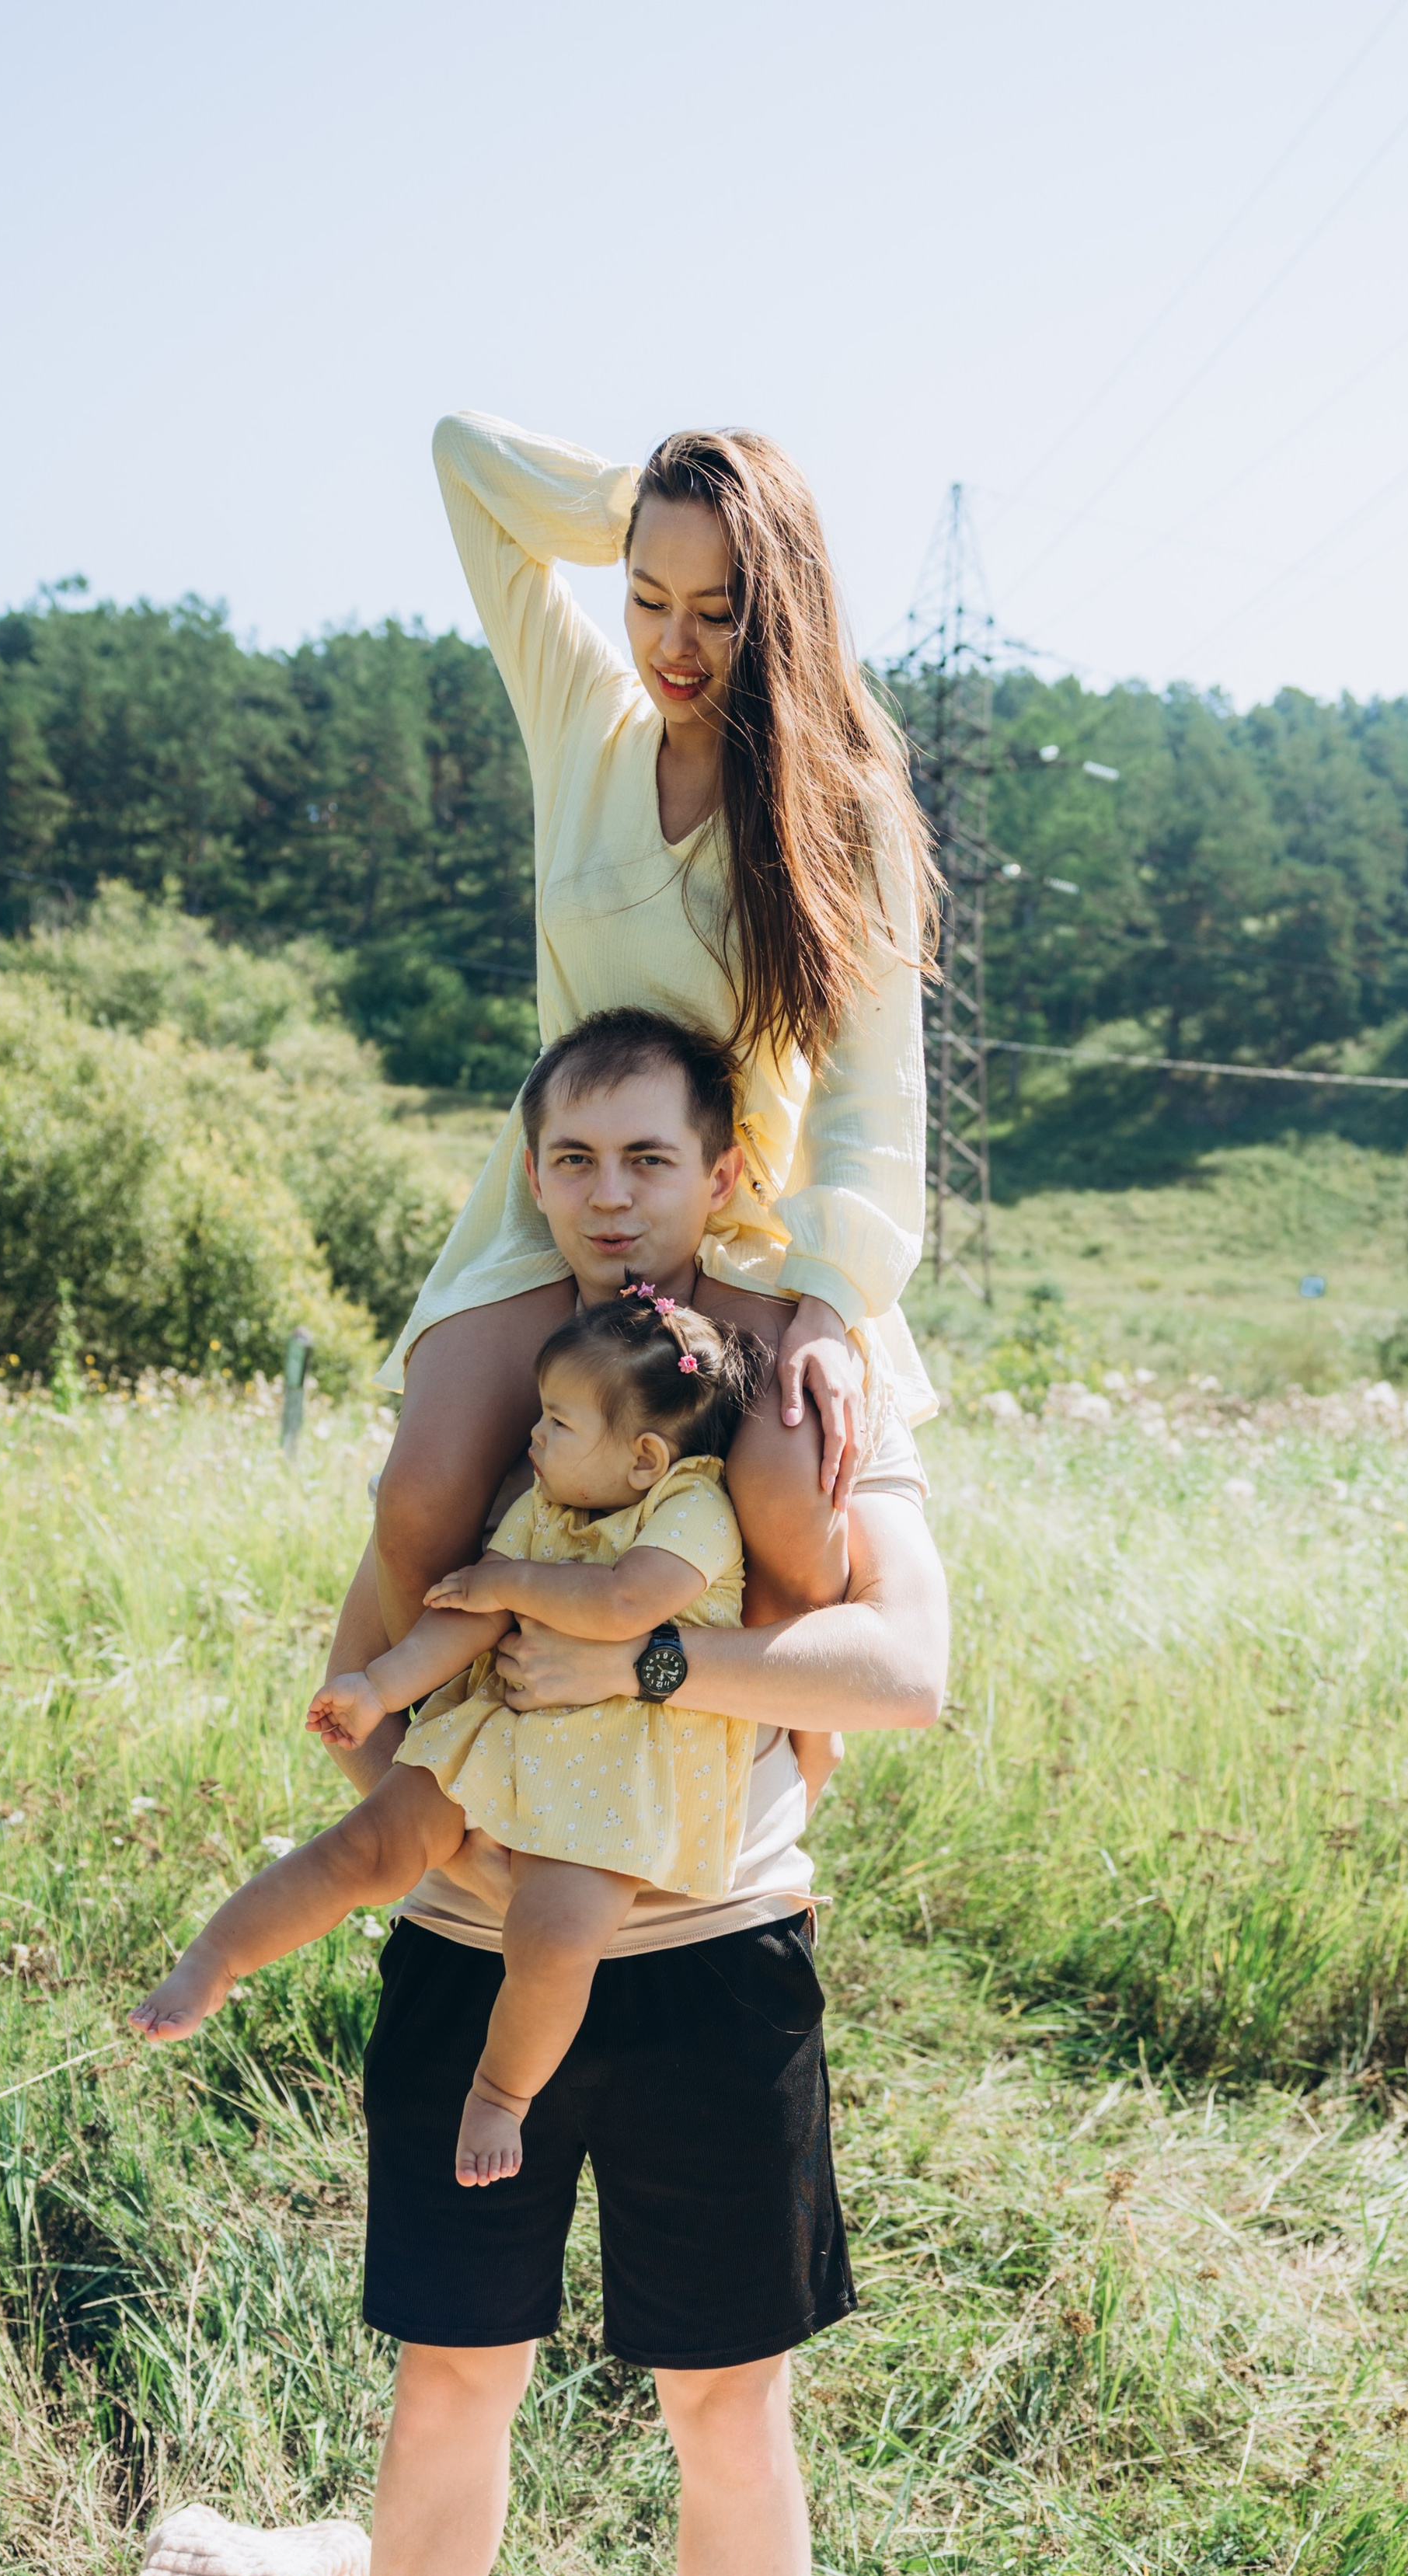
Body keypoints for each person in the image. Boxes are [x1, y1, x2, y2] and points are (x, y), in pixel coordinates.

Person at [199, 1014, 950, 2576]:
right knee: (449, 2382)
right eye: (570, 1160)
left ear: (725, 1170)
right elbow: (383, 1638)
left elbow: (902, 1673)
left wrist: (642, 1671)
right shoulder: (506, 1380)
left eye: (646, 1158)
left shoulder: (799, 1368)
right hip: (471, 1962)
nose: (608, 1198)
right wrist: (421, 1797)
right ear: (525, 1174)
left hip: (713, 1967)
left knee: (730, 2415)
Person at [355, 411, 937, 1771]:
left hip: (738, 1222)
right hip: (559, 1200)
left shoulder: (839, 804)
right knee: (423, 1493)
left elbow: (874, 1091)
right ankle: (454, 1800)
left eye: (719, 611)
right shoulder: (583, 721)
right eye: (647, 596)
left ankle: (764, 1790)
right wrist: (644, 500)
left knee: (790, 1484)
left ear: (780, 611)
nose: (674, 644)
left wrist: (827, 1305)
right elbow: (463, 459)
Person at [129, 1291, 765, 2191]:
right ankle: (216, 1957)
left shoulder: (694, 1507)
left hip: (620, 1780)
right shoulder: (542, 1509)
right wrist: (378, 1687)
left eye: (556, 1421)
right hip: (499, 1735)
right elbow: (468, 1612)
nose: (533, 1436)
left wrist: (512, 1582)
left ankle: (500, 2093)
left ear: (645, 1457)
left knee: (553, 1938)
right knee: (367, 1846)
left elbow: (626, 1602)